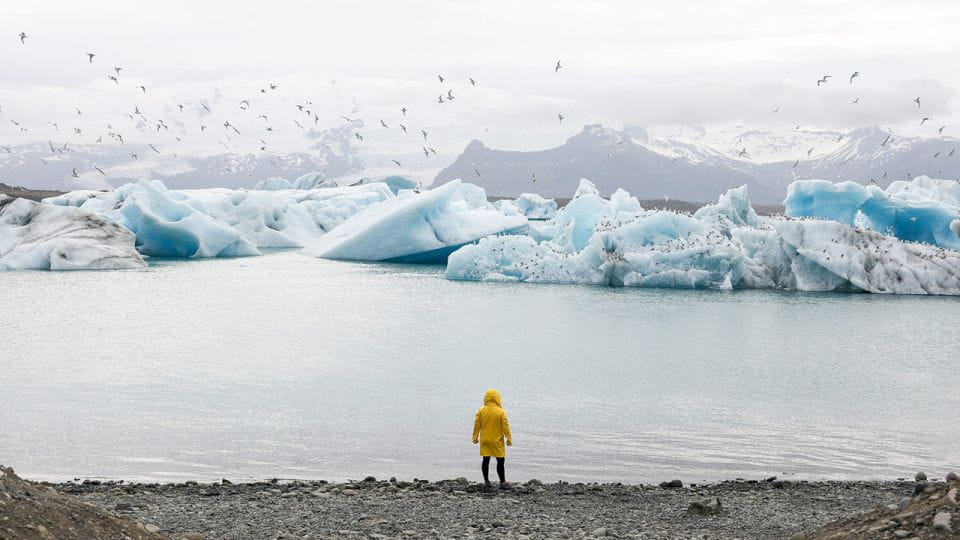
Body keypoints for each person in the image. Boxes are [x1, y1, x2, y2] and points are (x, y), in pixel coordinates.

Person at [472, 388, 512, 488]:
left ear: (486, 398)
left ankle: (486, 481)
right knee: (500, 461)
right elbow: (505, 426)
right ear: (498, 399)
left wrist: (475, 437)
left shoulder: (481, 410)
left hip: (485, 440)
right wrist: (509, 438)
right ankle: (502, 482)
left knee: (486, 460)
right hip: (496, 440)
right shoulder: (501, 412)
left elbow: (477, 424)